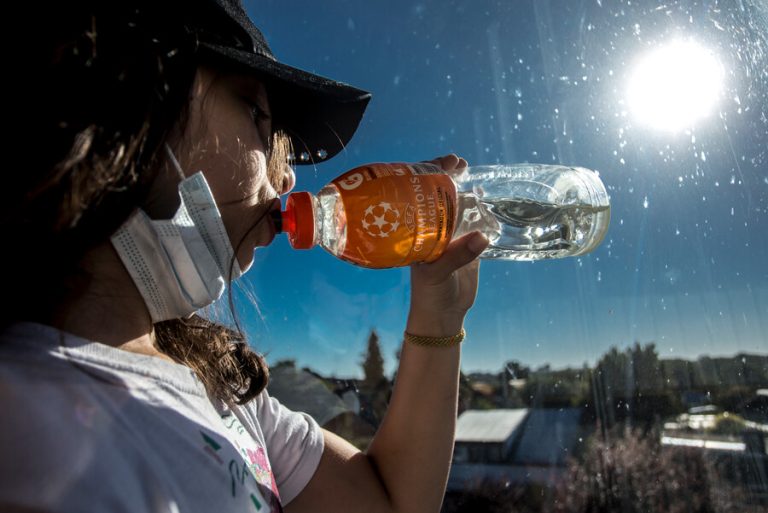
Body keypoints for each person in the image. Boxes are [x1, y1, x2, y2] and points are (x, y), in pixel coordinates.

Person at [1, 1, 490, 512]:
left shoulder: (224, 392)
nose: (287, 180)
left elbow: (391, 501)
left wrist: (438, 310)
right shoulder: (27, 429)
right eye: (257, 114)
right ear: (136, 96)